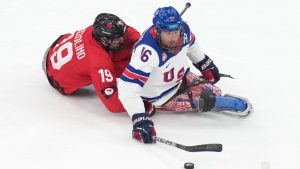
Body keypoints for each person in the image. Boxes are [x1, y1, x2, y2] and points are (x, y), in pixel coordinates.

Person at [117, 6, 251, 143]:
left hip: (181, 77)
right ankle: (155, 102)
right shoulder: (147, 52)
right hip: (162, 96)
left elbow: (191, 46)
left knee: (214, 90)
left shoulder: (184, 30)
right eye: (168, 33)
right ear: (157, 31)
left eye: (176, 31)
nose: (174, 37)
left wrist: (204, 64)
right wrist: (139, 119)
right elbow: (126, 86)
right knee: (209, 100)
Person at [42, 13, 140, 113]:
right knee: (130, 65)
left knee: (130, 50)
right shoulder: (98, 62)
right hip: (55, 76)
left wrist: (140, 42)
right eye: (117, 39)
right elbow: (113, 104)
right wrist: (142, 105)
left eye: (121, 35)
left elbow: (127, 31)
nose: (122, 39)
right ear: (104, 39)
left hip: (57, 48)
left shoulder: (97, 30)